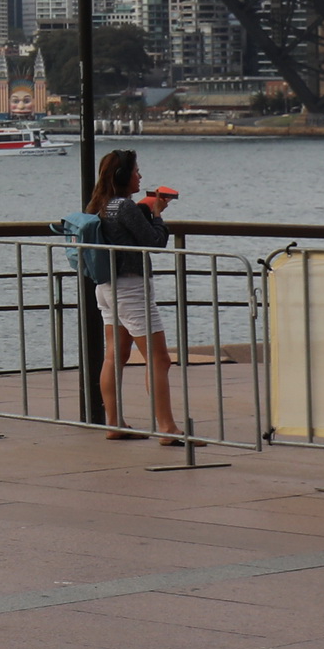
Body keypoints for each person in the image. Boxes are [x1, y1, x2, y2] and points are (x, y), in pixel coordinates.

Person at [92, 151, 184, 444]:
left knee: (114, 355)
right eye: (136, 171)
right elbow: (154, 242)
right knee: (159, 359)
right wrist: (157, 214)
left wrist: (146, 212)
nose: (140, 176)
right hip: (130, 287)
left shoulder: (101, 204)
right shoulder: (125, 207)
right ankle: (167, 428)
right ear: (123, 176)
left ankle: (114, 423)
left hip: (107, 285)